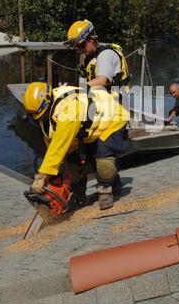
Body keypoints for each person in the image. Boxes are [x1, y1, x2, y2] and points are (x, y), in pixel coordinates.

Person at [23, 82, 129, 210]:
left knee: (103, 158)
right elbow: (52, 144)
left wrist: (43, 175)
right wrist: (55, 172)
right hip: (89, 129)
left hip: (113, 119)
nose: (39, 118)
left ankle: (106, 190)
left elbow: (60, 143)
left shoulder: (69, 108)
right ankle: (78, 196)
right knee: (73, 162)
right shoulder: (44, 115)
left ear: (47, 102)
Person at [66, 19, 130, 97]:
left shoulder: (106, 54)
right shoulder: (91, 58)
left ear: (91, 40)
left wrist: (76, 87)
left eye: (81, 46)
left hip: (115, 105)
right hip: (103, 102)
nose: (80, 51)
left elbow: (102, 80)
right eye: (77, 48)